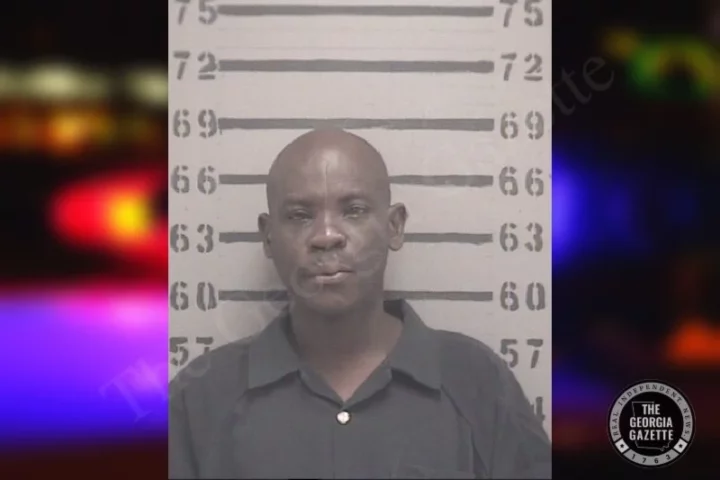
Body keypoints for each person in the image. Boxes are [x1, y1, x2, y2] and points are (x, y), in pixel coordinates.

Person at [169, 129, 551, 479]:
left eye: (353, 210)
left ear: (394, 226)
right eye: (300, 216)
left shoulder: (477, 383)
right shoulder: (199, 399)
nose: (326, 236)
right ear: (268, 237)